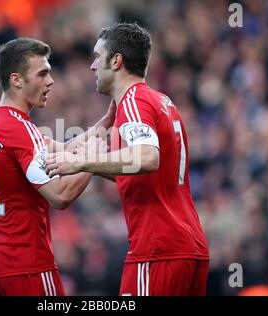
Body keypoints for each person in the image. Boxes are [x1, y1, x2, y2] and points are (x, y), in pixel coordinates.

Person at [45, 23, 210, 296]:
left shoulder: (134, 101)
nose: (92, 66)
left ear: (116, 61)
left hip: (157, 249)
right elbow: (146, 171)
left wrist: (83, 164)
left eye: (98, 57)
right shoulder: (161, 101)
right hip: (188, 247)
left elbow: (147, 158)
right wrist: (93, 162)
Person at [0, 38, 111, 296]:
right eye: (43, 73)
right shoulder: (19, 129)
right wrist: (91, 163)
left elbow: (63, 148)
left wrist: (104, 123)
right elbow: (60, 195)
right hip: (25, 267)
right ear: (17, 80)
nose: (50, 81)